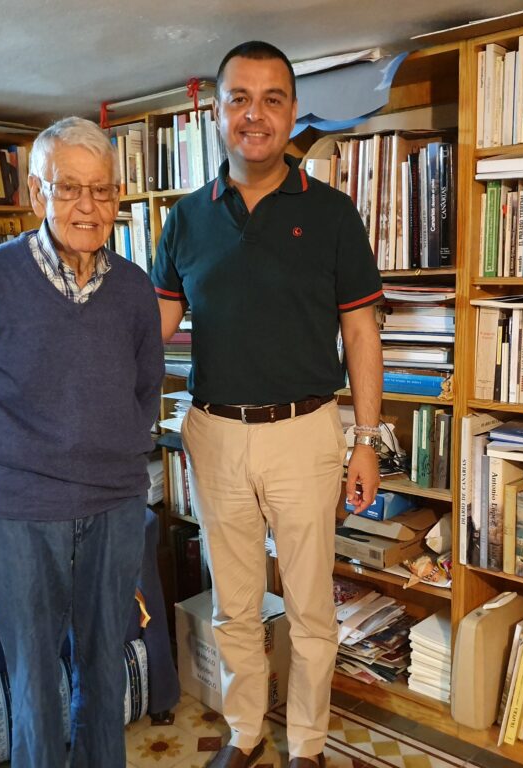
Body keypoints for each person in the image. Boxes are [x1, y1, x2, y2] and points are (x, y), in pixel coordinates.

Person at [152, 41, 383, 768]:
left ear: (291, 113)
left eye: (272, 99)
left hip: (304, 432)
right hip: (214, 434)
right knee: (235, 605)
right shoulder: (185, 219)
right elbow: (152, 331)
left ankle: (308, 744)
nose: (255, 114)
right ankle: (246, 734)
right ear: (217, 113)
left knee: (311, 606)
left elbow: (361, 332)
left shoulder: (333, 213)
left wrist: (367, 441)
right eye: (239, 99)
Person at [0, 116, 163, 768]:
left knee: (105, 668)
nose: (87, 205)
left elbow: (145, 391)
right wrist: (10, 468)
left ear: (116, 196)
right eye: (68, 188)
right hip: (17, 515)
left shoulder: (134, 288)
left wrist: (110, 454)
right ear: (37, 193)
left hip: (114, 507)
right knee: (34, 681)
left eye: (102, 189)